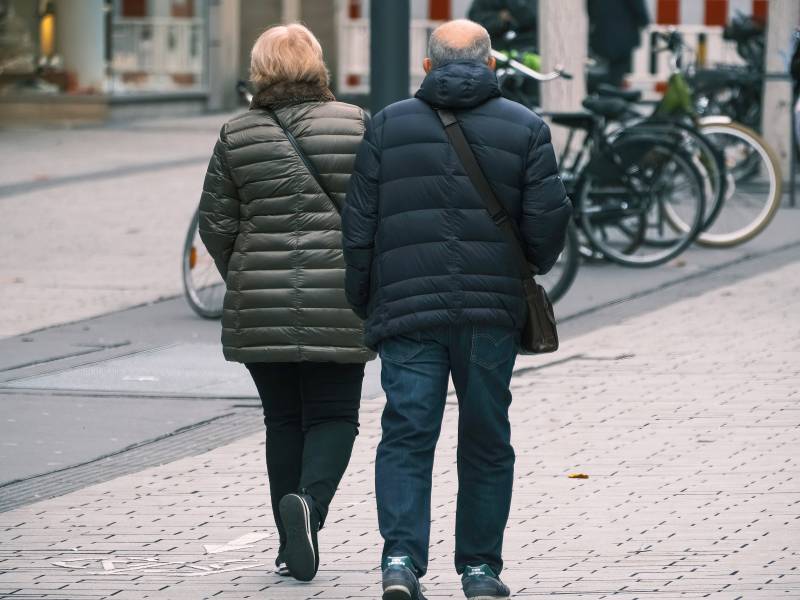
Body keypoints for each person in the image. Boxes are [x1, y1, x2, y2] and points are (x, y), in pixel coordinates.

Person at [342, 19, 571, 600]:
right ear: (491, 65)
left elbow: (359, 226)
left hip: (407, 308)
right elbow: (549, 220)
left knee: (407, 432)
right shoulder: (526, 127)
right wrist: (525, 270)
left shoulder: (388, 125)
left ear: (427, 66)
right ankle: (479, 570)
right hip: (490, 311)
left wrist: (365, 297)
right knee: (487, 437)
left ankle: (399, 560)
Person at [198, 23, 374, 583]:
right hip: (340, 299)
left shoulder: (236, 133)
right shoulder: (355, 124)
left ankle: (285, 544)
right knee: (335, 416)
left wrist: (244, 274)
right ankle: (310, 510)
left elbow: (216, 223)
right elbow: (376, 212)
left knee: (283, 419)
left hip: (259, 301)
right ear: (317, 64)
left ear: (260, 68)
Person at [586, 0, 650, 87]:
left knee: (600, 71)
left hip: (601, 33)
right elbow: (639, 8)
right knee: (616, 75)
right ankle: (609, 94)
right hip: (623, 35)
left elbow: (590, 7)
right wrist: (644, 21)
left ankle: (601, 92)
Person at [468, 0, 538, 52]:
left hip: (528, 46)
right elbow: (475, 20)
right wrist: (499, 18)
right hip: (495, 50)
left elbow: (533, 17)